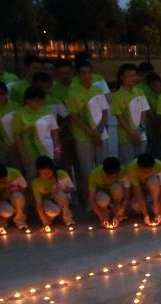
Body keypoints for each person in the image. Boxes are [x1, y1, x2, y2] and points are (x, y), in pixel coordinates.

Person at [67, 60, 109, 206]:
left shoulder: (97, 91)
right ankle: (90, 201)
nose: (87, 76)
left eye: (89, 73)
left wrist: (99, 130)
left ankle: (104, 199)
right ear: (78, 75)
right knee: (87, 171)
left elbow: (104, 112)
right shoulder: (73, 92)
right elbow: (74, 117)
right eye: (83, 73)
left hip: (101, 133)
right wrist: (91, 133)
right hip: (83, 137)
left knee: (103, 167)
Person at [14, 86, 60, 180]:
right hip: (30, 154)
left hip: (48, 151)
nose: (38, 103)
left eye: (40, 100)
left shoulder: (47, 112)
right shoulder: (20, 113)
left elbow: (54, 132)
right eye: (34, 100)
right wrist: (23, 154)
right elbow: (17, 135)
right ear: (27, 100)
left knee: (51, 179)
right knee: (33, 180)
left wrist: (57, 150)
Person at [111, 64, 151, 164]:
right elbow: (119, 118)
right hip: (125, 138)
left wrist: (140, 130)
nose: (133, 78)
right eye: (129, 75)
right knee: (128, 165)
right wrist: (132, 133)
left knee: (141, 164)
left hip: (141, 135)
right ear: (121, 77)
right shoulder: (117, 95)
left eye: (134, 75)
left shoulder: (140, 92)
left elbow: (144, 112)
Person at [31, 155, 75, 231]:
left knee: (62, 195)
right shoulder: (36, 182)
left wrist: (63, 189)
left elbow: (72, 189)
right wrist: (44, 221)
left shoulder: (61, 174)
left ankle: (68, 219)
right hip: (46, 202)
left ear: (53, 169)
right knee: (54, 211)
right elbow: (39, 204)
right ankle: (49, 218)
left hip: (58, 197)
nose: (46, 175)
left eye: (48, 172)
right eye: (43, 173)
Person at [0, 162, 28, 233]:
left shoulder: (14, 173)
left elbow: (24, 189)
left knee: (19, 197)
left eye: (2, 179)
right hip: (0, 202)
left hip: (13, 195)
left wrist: (10, 188)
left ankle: (20, 220)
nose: (1, 182)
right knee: (7, 212)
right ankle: (3, 220)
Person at [123, 153, 161, 226]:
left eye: (149, 171)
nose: (147, 173)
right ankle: (146, 209)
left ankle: (155, 206)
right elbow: (138, 192)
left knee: (153, 181)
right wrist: (145, 215)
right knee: (136, 207)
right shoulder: (131, 168)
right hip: (140, 186)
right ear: (139, 167)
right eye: (144, 171)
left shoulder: (160, 166)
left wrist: (160, 213)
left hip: (152, 184)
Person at [88, 156, 127, 228]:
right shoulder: (95, 174)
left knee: (118, 187)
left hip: (117, 198)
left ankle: (117, 212)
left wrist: (121, 211)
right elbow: (91, 198)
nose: (112, 177)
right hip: (104, 198)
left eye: (114, 176)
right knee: (102, 199)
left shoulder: (123, 171)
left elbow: (127, 194)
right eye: (109, 176)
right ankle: (106, 214)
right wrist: (100, 214)